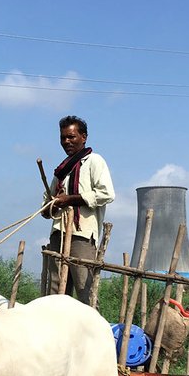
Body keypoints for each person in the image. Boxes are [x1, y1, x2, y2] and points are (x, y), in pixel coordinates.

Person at [40, 115, 114, 303]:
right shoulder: (61, 171)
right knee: (55, 291)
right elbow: (44, 209)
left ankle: (92, 329)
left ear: (84, 137)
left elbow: (107, 194)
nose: (66, 141)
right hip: (59, 233)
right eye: (63, 137)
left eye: (71, 137)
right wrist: (52, 205)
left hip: (82, 234)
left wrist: (69, 200)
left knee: (85, 289)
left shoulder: (94, 161)